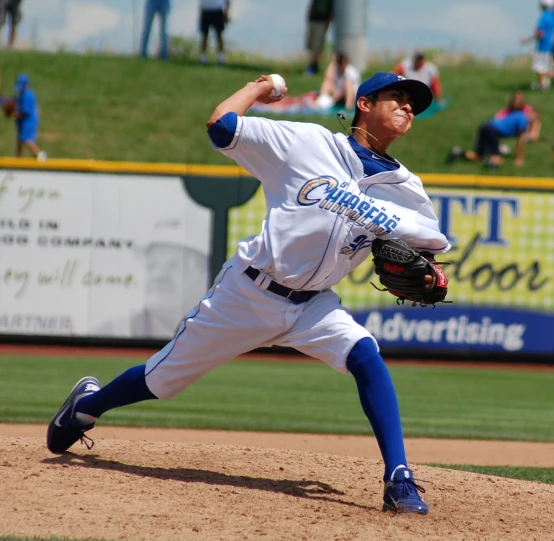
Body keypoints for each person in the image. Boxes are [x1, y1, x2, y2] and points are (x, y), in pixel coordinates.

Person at [46, 71, 447, 516]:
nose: (409, 106)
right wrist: (259, 88)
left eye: (415, 103)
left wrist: (432, 277)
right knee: (162, 380)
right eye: (399, 96)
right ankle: (87, 406)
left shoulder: (408, 191)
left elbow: (429, 253)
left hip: (314, 303)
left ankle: (399, 478)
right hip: (248, 291)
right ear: (365, 103)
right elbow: (221, 125)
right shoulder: (308, 143)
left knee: (366, 354)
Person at [446, 92, 531, 167]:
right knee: (498, 160)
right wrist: (519, 159)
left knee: (478, 155)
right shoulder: (522, 118)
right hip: (493, 131)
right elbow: (520, 140)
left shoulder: (510, 113)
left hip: (485, 126)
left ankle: (458, 152)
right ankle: (489, 161)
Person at [521, 0, 554, 92]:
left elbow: (540, 33)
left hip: (543, 45)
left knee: (540, 67)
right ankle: (545, 82)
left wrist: (528, 40)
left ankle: (543, 86)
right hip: (550, 45)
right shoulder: (553, 15)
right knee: (544, 66)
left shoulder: (544, 16)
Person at [12, 74, 45, 161]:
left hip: (28, 121)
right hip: (22, 122)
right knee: (19, 140)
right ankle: (17, 158)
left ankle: (40, 155)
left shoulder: (28, 95)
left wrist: (16, 114)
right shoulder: (21, 94)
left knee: (27, 140)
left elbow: (26, 111)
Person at [304, 0, 334, 75]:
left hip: (322, 21)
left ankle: (313, 67)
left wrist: (328, 21)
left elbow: (331, 8)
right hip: (313, 19)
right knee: (311, 45)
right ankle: (313, 65)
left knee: (317, 46)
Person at [199, 0, 229, 65]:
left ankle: (220, 58)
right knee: (204, 35)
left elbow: (227, 1)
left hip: (217, 10)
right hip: (205, 10)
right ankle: (203, 57)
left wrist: (226, 12)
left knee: (219, 35)